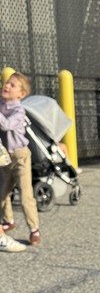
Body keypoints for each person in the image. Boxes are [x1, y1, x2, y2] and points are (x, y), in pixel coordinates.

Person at [0, 71, 41, 246]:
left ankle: (34, 229)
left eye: (13, 85)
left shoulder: (18, 110)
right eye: (7, 83)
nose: (7, 86)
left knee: (25, 195)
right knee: (2, 192)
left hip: (21, 156)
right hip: (4, 156)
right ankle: (8, 221)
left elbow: (6, 125)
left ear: (21, 94)